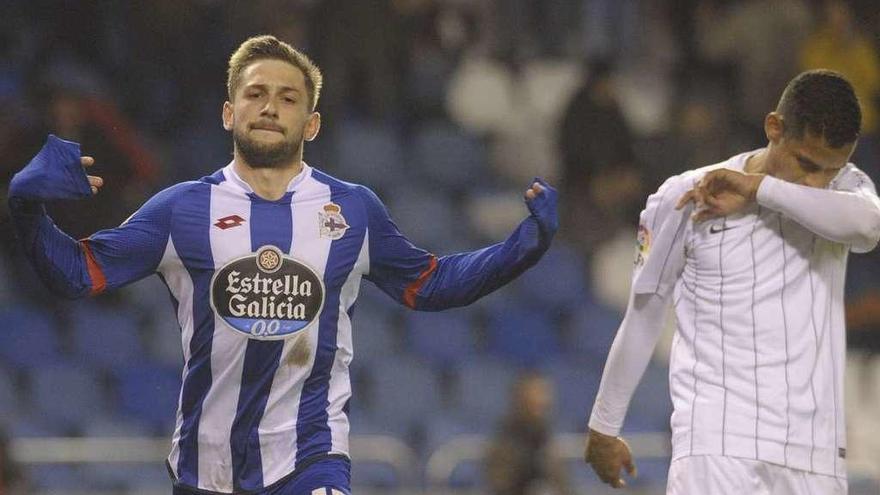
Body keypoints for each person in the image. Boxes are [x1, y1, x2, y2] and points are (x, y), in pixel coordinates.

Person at [7, 35, 558, 495]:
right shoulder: (179, 211)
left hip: (311, 457)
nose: (270, 106)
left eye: (289, 98)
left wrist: (523, 246)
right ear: (230, 112)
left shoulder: (354, 210)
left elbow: (431, 285)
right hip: (207, 467)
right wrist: (28, 209)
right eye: (256, 93)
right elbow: (75, 274)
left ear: (312, 123)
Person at [583, 69, 880, 494]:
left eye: (829, 171)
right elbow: (645, 312)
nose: (816, 182)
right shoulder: (687, 194)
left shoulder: (847, 191)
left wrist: (758, 188)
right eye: (806, 164)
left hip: (816, 453)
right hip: (719, 442)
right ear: (774, 127)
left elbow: (870, 227)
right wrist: (604, 427)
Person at [485, 372, 573, 495]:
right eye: (538, 393)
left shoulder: (544, 432)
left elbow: (559, 478)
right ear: (522, 398)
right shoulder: (507, 436)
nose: (544, 400)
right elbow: (500, 481)